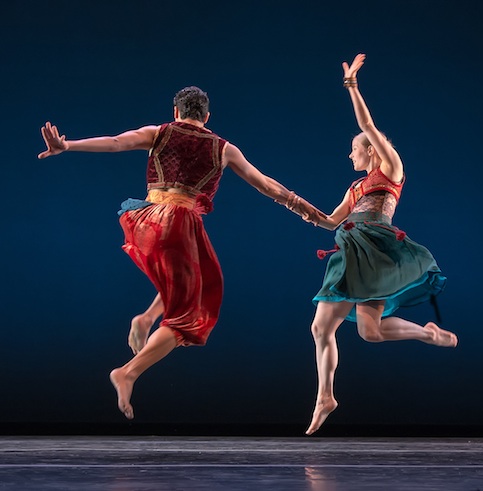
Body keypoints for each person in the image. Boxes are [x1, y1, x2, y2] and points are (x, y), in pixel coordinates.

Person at [38, 86, 323, 419]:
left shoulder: (159, 133)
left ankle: (145, 318)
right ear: (206, 117)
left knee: (194, 279)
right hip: (178, 222)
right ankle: (127, 372)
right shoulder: (224, 149)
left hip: (146, 219)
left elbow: (118, 141)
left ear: (176, 111)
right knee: (191, 316)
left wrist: (67, 146)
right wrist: (306, 210)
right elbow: (266, 184)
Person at [305, 55, 458, 435]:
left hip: (376, 247)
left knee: (343, 329)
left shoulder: (390, 167)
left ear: (370, 150)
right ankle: (327, 396)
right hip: (350, 248)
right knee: (349, 330)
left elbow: (367, 125)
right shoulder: (353, 187)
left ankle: (424, 334)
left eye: (355, 149)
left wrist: (352, 85)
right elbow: (330, 220)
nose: (350, 154)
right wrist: (301, 208)